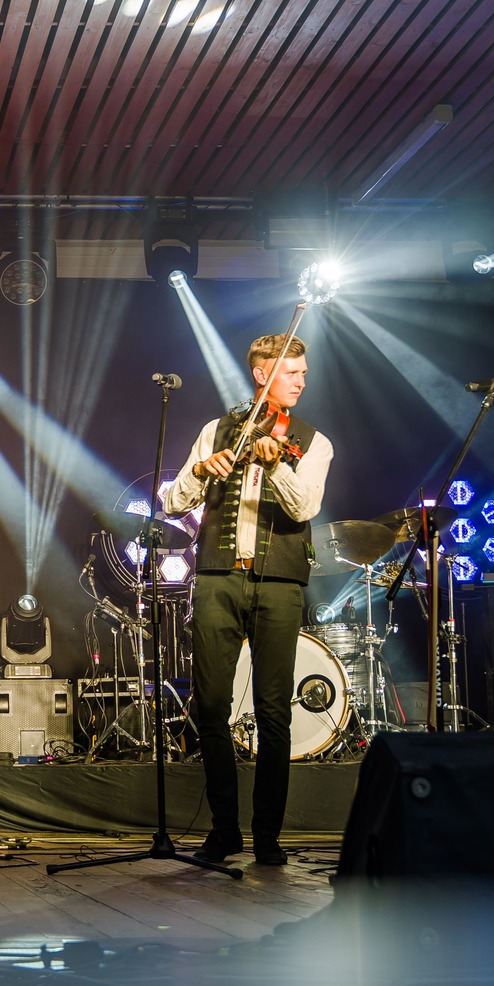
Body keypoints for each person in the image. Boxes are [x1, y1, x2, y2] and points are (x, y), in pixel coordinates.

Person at [162, 333, 333, 866]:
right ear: (262, 375)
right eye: (291, 373)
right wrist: (199, 471)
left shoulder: (315, 441)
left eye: (303, 373)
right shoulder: (216, 431)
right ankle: (224, 829)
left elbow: (304, 508)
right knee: (210, 705)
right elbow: (171, 504)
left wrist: (277, 466)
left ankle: (267, 835)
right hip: (217, 578)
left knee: (273, 710)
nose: (301, 381)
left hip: (279, 583)